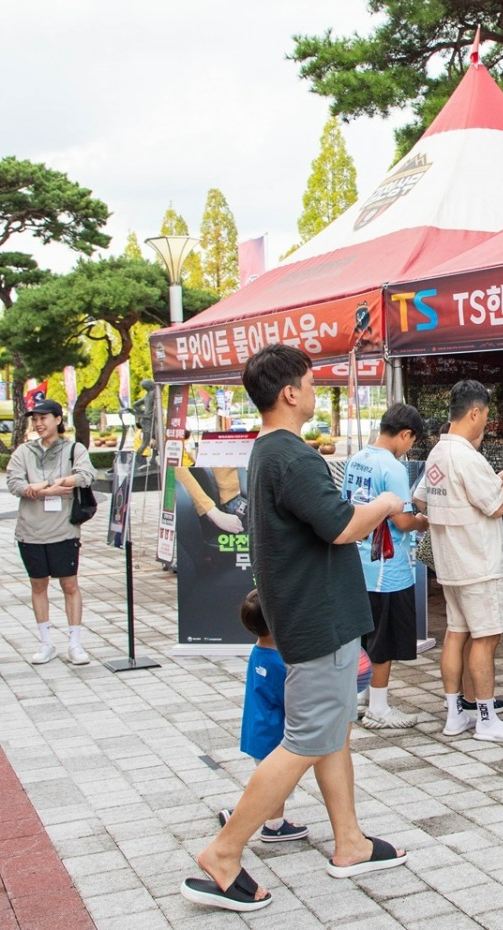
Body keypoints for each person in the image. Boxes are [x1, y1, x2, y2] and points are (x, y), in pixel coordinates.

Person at [181, 344, 406, 913]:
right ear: (289, 393)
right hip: (319, 618)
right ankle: (225, 853)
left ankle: (350, 841)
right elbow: (340, 527)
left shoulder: (267, 453)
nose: (312, 391)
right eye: (308, 383)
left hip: (306, 614)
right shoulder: (293, 457)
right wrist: (384, 501)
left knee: (330, 731)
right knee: (309, 737)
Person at [412, 380, 503, 744]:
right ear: (475, 413)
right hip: (479, 563)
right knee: (485, 638)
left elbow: (421, 502)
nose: (487, 422)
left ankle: (455, 715)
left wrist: (491, 484)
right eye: (487, 414)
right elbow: (496, 506)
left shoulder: (437, 453)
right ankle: (486, 718)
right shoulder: (467, 455)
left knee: (456, 633)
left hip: (450, 563)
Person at [340, 402, 430, 730]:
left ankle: (362, 696)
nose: (409, 448)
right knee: (383, 640)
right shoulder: (392, 467)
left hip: (356, 562)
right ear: (405, 434)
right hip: (386, 568)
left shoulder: (356, 459)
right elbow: (403, 521)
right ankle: (379, 707)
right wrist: (423, 521)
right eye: (411, 441)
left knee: (363, 637)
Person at [5, 399, 96, 665]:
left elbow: (86, 475)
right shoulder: (24, 452)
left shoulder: (73, 449)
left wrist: (49, 485)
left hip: (64, 530)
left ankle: (75, 644)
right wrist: (51, 489)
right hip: (30, 530)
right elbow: (14, 483)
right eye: (35, 419)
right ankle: (46, 643)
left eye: (44, 418)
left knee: (70, 584)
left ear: (58, 419)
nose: (38, 423)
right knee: (38, 585)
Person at [216, 590, 308, 843]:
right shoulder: (281, 663)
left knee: (264, 778)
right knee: (277, 785)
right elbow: (289, 700)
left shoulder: (259, 653)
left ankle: (243, 813)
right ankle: (274, 826)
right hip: (274, 733)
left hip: (258, 729)